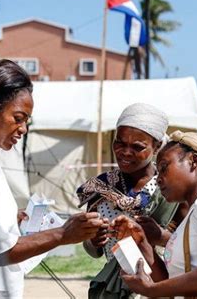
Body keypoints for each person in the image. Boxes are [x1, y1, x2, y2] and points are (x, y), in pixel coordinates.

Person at [0, 60, 103, 298]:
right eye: (18, 118)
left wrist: (8, 219)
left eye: (27, 121)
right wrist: (62, 234)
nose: (23, 129)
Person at [112, 130, 197, 298]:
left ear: (193, 161)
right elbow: (173, 283)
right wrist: (142, 243)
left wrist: (150, 290)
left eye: (164, 167)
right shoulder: (195, 213)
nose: (158, 178)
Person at [76, 103, 181, 298]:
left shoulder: (171, 190)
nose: (125, 152)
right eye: (119, 143)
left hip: (160, 288)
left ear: (157, 146)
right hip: (112, 290)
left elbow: (190, 246)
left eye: (137, 147)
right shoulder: (101, 188)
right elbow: (93, 251)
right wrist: (94, 241)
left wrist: (158, 236)